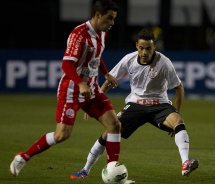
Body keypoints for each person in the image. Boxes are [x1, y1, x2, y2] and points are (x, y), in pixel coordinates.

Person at [10, 0, 122, 177]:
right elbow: (67, 65)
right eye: (109, 18)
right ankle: (23, 156)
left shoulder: (102, 33)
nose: (112, 23)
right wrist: (80, 83)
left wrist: (106, 73)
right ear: (98, 15)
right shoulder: (79, 34)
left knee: (114, 125)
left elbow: (95, 57)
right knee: (61, 135)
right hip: (72, 90)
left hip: (91, 90)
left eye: (114, 19)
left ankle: (112, 170)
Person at [70, 28, 199, 180]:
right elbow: (108, 81)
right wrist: (94, 102)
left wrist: (176, 111)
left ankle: (185, 163)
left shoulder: (164, 63)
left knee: (178, 122)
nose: (144, 52)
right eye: (141, 48)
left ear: (154, 46)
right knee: (108, 133)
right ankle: (85, 169)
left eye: (148, 48)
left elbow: (179, 87)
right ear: (137, 45)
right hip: (135, 105)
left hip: (159, 104)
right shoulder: (129, 60)